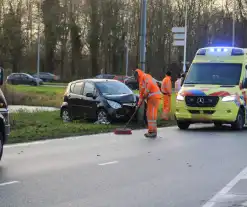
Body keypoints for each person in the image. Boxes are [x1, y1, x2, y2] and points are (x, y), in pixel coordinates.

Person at [134, 69, 161, 138]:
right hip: (152, 97)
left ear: (138, 75)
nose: (135, 79)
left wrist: (146, 93)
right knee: (150, 114)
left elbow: (150, 84)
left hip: (153, 96)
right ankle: (153, 131)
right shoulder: (141, 82)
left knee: (151, 114)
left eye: (136, 77)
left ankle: (152, 131)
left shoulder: (145, 76)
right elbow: (141, 94)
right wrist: (138, 104)